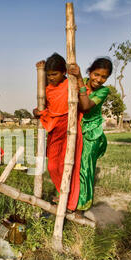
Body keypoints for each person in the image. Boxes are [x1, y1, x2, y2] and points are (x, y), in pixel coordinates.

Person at [32, 53, 85, 212]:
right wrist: (37, 111)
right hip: (54, 129)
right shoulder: (47, 89)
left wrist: (80, 76)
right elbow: (47, 108)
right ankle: (64, 195)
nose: (52, 78)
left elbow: (84, 99)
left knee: (69, 165)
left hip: (69, 127)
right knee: (53, 166)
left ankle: (69, 202)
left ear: (64, 72)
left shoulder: (71, 84)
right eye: (49, 75)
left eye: (54, 74)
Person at [68, 57, 113, 212]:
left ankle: (82, 205)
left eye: (104, 77)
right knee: (70, 165)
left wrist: (80, 79)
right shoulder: (77, 81)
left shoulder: (103, 91)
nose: (99, 79)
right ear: (90, 71)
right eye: (96, 74)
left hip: (90, 133)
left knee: (85, 169)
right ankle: (69, 199)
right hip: (74, 129)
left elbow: (86, 106)